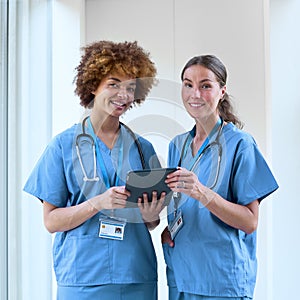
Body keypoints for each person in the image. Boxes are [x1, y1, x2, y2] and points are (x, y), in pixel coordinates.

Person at [23, 40, 166, 300]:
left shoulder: (143, 149)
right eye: (113, 84)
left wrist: (151, 215)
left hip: (136, 277)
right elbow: (51, 221)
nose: (122, 95)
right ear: (92, 85)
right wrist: (97, 203)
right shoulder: (63, 146)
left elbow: (151, 223)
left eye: (130, 87)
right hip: (82, 278)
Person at [161, 55, 279, 300]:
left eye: (205, 86)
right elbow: (180, 206)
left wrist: (201, 192)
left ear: (222, 91)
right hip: (182, 276)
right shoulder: (178, 146)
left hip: (222, 281)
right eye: (188, 84)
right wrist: (169, 229)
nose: (195, 94)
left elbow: (249, 222)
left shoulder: (240, 145)